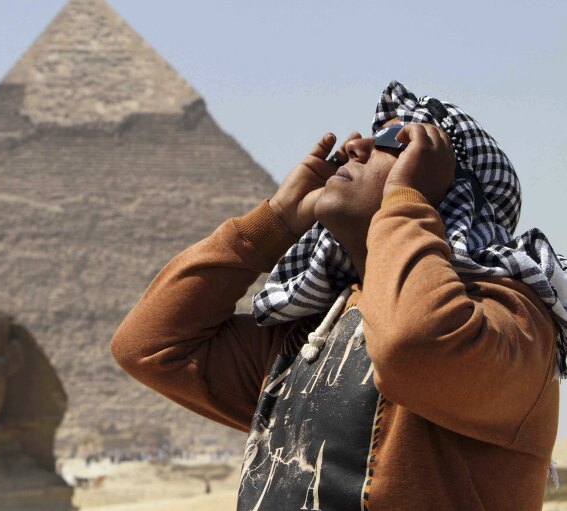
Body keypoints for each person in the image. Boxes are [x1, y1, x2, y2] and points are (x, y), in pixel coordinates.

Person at [111, 81, 565, 509]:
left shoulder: (512, 321)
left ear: (443, 188)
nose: (353, 146)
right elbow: (149, 347)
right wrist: (272, 226)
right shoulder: (309, 339)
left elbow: (414, 345)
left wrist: (407, 200)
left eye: (393, 141)